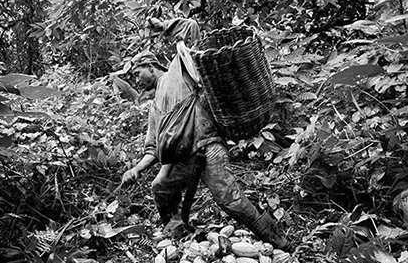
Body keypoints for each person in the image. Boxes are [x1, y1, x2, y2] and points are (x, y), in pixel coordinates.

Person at [121, 18, 288, 249]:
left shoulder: (177, 69)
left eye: (136, 73)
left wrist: (163, 27)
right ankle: (177, 228)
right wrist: (136, 169)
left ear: (150, 66)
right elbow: (153, 148)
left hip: (207, 145)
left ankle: (276, 239)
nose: (135, 80)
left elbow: (191, 28)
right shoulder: (154, 108)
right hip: (181, 158)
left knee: (231, 200)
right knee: (160, 187)